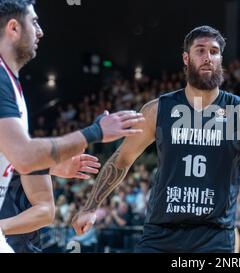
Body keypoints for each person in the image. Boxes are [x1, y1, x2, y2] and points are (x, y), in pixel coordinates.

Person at [71, 26, 240, 253]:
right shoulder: (158, 110)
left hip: (214, 235)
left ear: (221, 59)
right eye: (200, 50)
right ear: (186, 58)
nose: (208, 57)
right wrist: (91, 206)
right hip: (160, 233)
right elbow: (121, 160)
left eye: (214, 52)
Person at [0, 0, 144, 252]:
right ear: (13, 27)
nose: (41, 31)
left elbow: (13, 155)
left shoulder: (11, 83)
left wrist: (52, 165)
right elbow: (23, 155)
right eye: (34, 22)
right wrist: (95, 131)